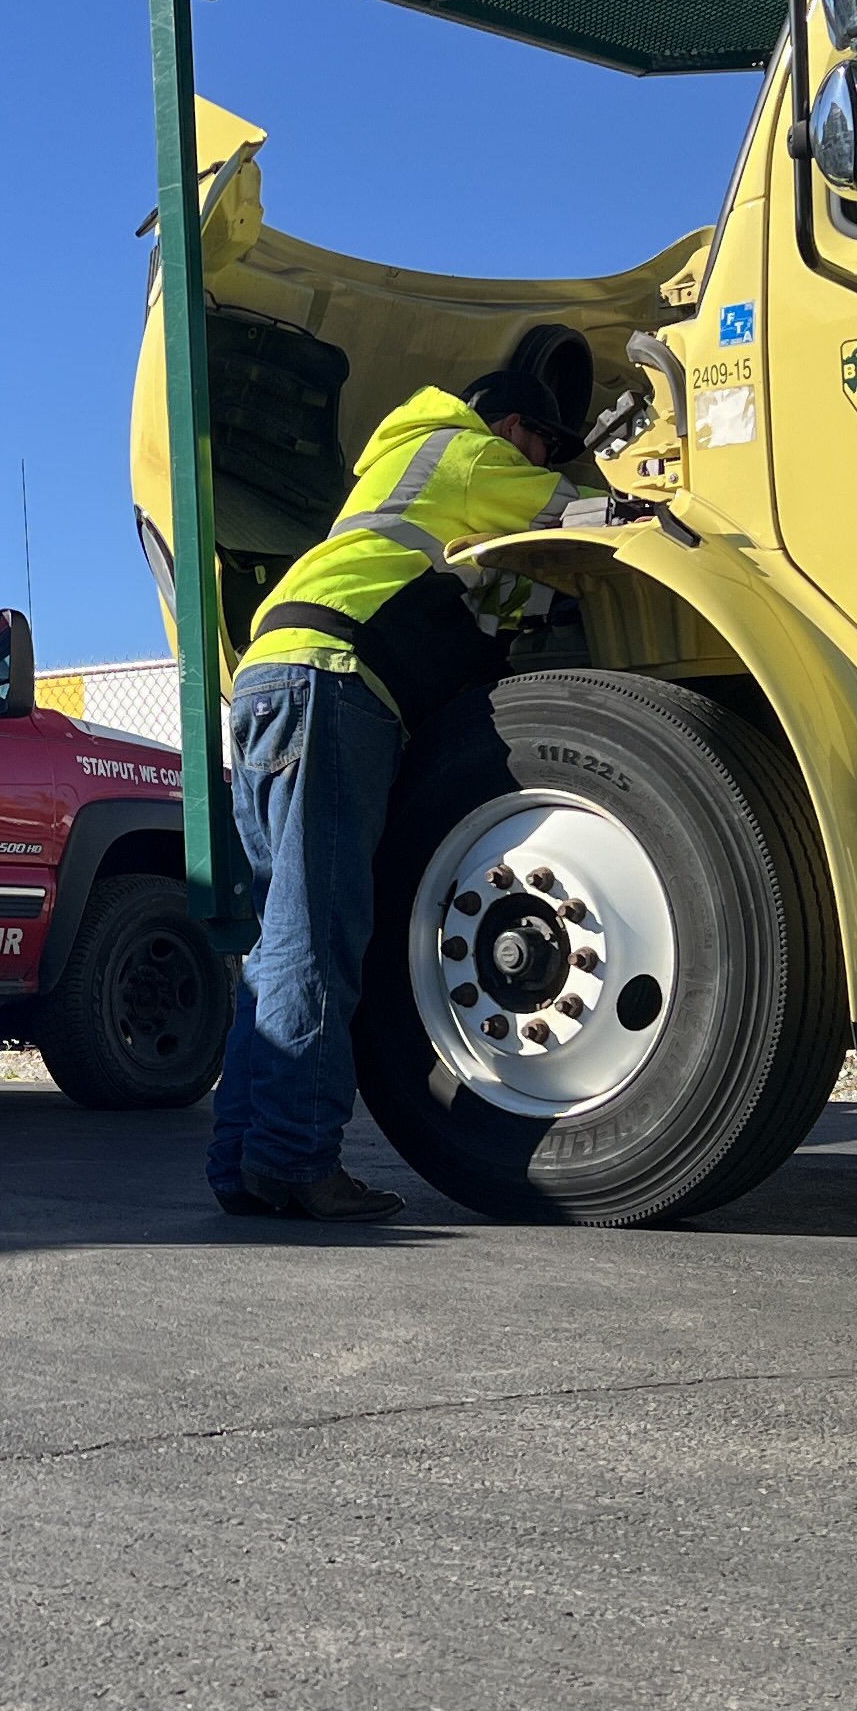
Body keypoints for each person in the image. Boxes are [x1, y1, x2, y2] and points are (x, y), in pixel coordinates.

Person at [203, 367, 579, 1220]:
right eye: (545, 443)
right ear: (515, 424)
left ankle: (243, 1161)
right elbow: (579, 511)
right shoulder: (472, 454)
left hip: (271, 679)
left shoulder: (399, 459)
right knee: (320, 932)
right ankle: (297, 1160)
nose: (542, 459)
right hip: (332, 683)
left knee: (281, 939)